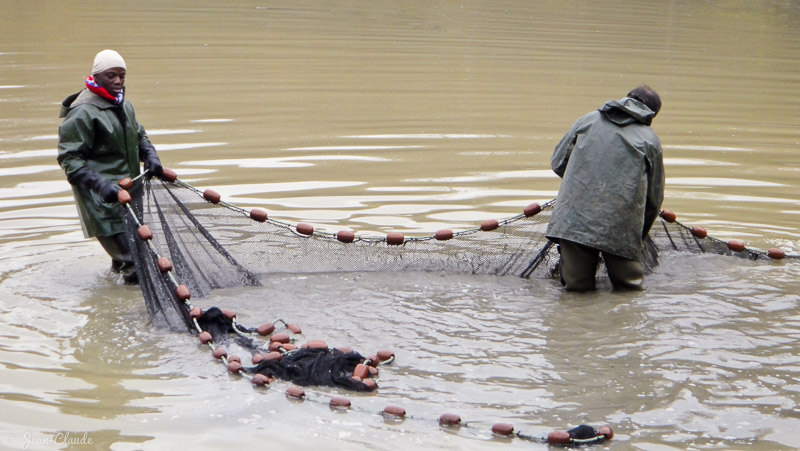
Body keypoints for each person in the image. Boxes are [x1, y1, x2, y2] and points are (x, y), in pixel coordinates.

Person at [57, 49, 164, 284]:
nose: (117, 81)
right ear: (96, 77)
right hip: (101, 202)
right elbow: (70, 160)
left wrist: (151, 155)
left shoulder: (124, 105)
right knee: (136, 265)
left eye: (122, 75)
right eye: (111, 75)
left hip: (129, 195)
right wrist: (101, 186)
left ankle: (113, 292)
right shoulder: (83, 112)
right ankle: (132, 315)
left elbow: (140, 136)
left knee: (124, 259)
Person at [546, 86, 665, 292]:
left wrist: (587, 183)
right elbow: (653, 200)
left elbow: (558, 163)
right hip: (621, 227)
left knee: (576, 291)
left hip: (573, 220)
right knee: (629, 291)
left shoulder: (587, 120)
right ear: (651, 114)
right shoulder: (650, 139)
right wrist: (639, 235)